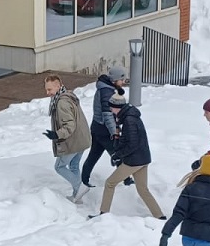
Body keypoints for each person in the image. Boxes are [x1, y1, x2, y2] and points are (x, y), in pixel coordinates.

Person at [92, 93, 165, 219]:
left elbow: (132, 143)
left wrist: (118, 155)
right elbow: (128, 140)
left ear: (116, 107)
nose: (110, 109)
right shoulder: (129, 116)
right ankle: (159, 216)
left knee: (110, 183)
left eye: (111, 107)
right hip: (143, 158)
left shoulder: (128, 120)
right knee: (143, 189)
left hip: (134, 160)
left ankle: (103, 214)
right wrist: (116, 137)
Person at [43, 74, 92, 203]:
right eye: (46, 89)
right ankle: (78, 196)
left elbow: (70, 125)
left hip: (73, 141)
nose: (47, 93)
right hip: (82, 138)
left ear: (58, 86)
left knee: (59, 166)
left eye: (49, 89)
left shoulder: (62, 102)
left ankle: (79, 187)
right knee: (74, 166)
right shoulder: (68, 95)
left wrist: (56, 134)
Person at [80, 66, 130, 188]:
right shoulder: (107, 92)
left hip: (98, 129)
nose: (124, 82)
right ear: (115, 80)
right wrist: (115, 133)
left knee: (93, 156)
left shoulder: (106, 89)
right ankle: (127, 181)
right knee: (118, 155)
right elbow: (107, 115)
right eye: (122, 80)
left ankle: (83, 181)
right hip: (104, 131)